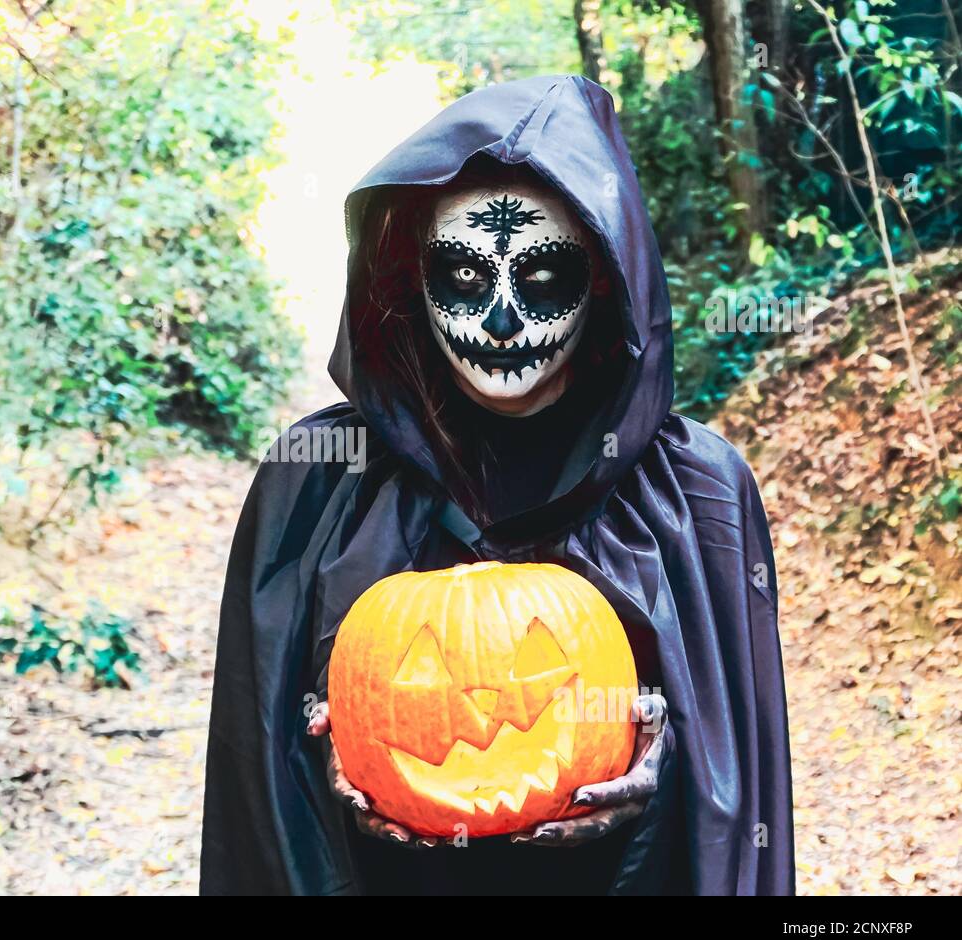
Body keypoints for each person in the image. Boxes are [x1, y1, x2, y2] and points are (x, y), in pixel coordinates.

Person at [201, 75, 794, 895]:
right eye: (467, 277)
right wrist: (330, 751)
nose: (503, 323)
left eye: (543, 278)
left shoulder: (699, 493)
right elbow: (260, 793)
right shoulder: (317, 479)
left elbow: (738, 786)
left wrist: (666, 754)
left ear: (601, 276)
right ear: (412, 275)